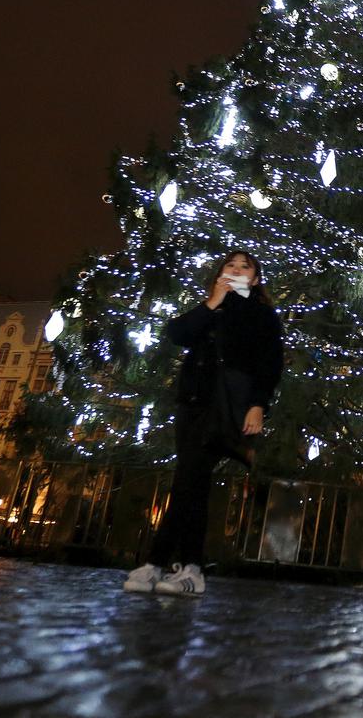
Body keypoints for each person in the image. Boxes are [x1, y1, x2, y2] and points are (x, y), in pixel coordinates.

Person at [123, 251, 284, 598]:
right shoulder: (212, 308)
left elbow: (269, 365)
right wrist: (213, 302)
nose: (237, 270)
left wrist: (257, 406)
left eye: (245, 267)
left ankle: (161, 564)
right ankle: (187, 569)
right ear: (219, 274)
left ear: (255, 280)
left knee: (189, 479)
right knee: (191, 483)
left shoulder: (262, 316)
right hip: (193, 404)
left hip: (225, 408)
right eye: (230, 265)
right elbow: (177, 334)